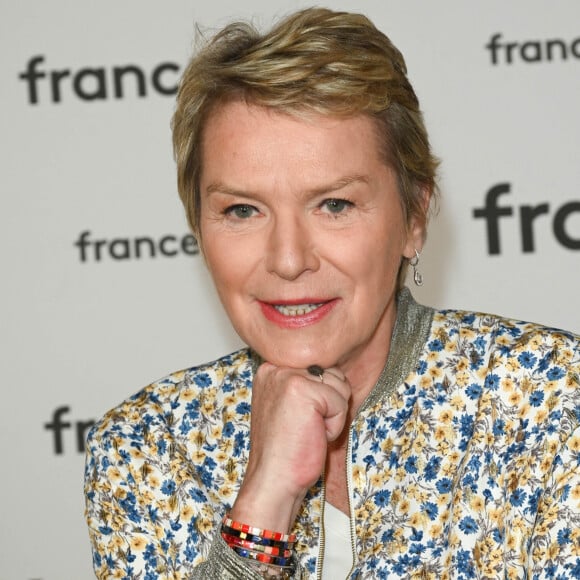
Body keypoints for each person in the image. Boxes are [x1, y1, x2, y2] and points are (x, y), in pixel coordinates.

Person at [84, 7, 580, 579]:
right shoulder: (146, 448)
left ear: (414, 216)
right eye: (242, 210)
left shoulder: (549, 402)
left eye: (335, 205)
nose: (289, 260)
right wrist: (263, 504)